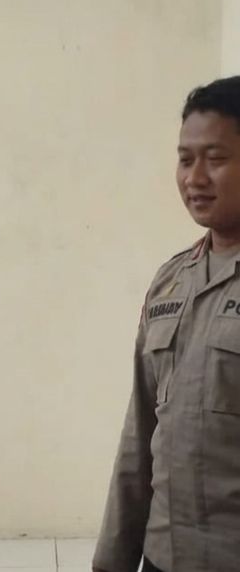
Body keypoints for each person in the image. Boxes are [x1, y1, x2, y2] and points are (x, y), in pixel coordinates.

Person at [93, 76, 240, 572]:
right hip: (165, 557)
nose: (195, 177)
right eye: (184, 159)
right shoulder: (171, 282)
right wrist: (112, 560)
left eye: (215, 159)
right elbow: (139, 436)